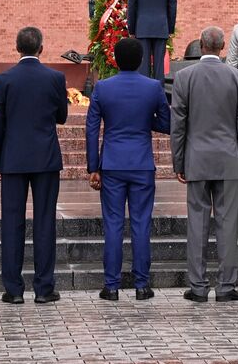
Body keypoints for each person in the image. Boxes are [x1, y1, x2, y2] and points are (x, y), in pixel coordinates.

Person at [85, 36, 170, 301]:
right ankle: (142, 285)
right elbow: (167, 123)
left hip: (111, 164)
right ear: (142, 60)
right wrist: (144, 123)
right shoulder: (153, 87)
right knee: (141, 224)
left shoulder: (103, 88)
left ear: (115, 60)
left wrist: (93, 167)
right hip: (142, 164)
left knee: (112, 225)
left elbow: (91, 128)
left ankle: (111, 286)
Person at [0, 25, 68, 304]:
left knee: (12, 223)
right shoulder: (55, 77)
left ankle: (13, 290)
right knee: (45, 222)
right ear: (41, 48)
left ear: (17, 47)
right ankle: (44, 289)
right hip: (45, 158)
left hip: (12, 159)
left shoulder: (3, 79)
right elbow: (62, 117)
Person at [171, 25, 238, 303]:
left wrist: (178, 161)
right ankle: (226, 286)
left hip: (197, 159)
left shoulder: (183, 77)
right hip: (229, 160)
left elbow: (178, 125)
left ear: (202, 45)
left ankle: (198, 286)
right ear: (222, 46)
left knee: (197, 223)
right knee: (229, 225)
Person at [126, 0, 176, 81]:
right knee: (159, 69)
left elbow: (132, 5)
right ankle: (159, 97)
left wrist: (131, 28)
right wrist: (170, 29)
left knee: (143, 67)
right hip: (161, 27)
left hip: (142, 28)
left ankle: (144, 97)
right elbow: (172, 6)